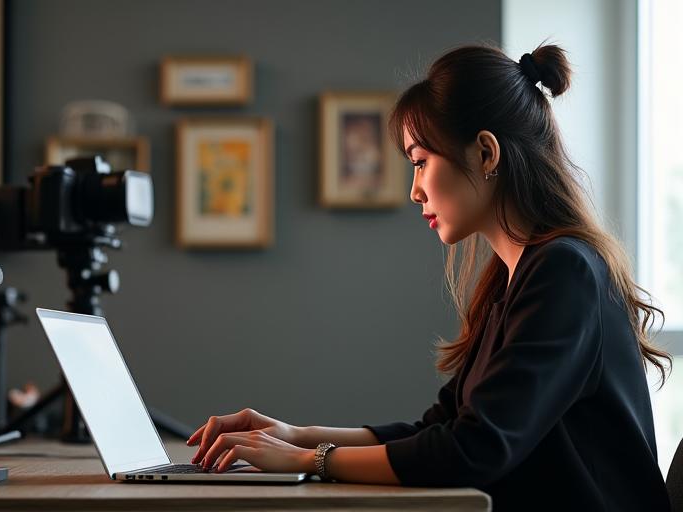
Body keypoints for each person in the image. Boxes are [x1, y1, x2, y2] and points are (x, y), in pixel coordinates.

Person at [186, 43, 673, 511]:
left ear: (486, 153)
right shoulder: (516, 277)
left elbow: (471, 450)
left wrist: (309, 461)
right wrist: (295, 436)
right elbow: (439, 429)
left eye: (420, 162)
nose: (415, 191)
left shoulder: (563, 271)